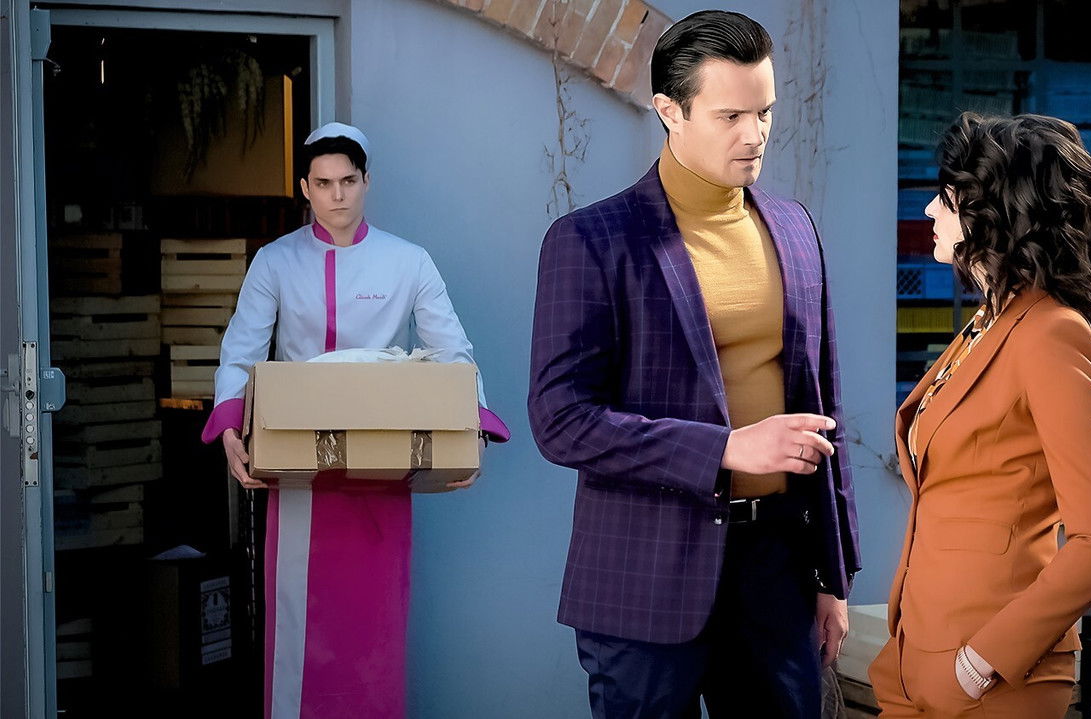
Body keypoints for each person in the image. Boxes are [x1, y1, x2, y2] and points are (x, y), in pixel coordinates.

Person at [527, 11, 860, 718]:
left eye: (764, 112)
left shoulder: (795, 228)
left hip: (776, 570)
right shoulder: (592, 240)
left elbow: (823, 405)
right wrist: (724, 449)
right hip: (642, 577)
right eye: (730, 115)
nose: (755, 134)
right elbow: (560, 420)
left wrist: (832, 574)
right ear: (669, 110)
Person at [200, 122, 509, 719]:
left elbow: (452, 352)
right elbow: (241, 351)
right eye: (323, 183)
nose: (337, 195)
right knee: (299, 627)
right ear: (304, 188)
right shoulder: (274, 261)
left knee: (375, 631)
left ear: (368, 181)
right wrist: (231, 427)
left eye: (348, 180)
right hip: (297, 469)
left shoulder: (409, 261)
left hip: (381, 467)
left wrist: (473, 433)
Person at [870, 112, 1091, 718]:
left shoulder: (1051, 336)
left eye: (945, 199)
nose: (929, 212)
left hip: (990, 679)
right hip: (916, 657)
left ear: (994, 214)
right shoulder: (990, 324)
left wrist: (981, 661)